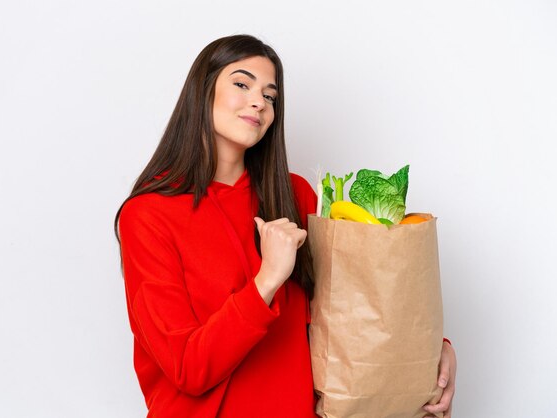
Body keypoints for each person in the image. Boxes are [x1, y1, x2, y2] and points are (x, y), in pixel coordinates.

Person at [115, 34, 456, 418]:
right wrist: (268, 279)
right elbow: (187, 369)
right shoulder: (147, 215)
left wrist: (431, 348)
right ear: (202, 90)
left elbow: (355, 310)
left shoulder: (295, 195)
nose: (259, 101)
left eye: (271, 95)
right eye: (242, 84)